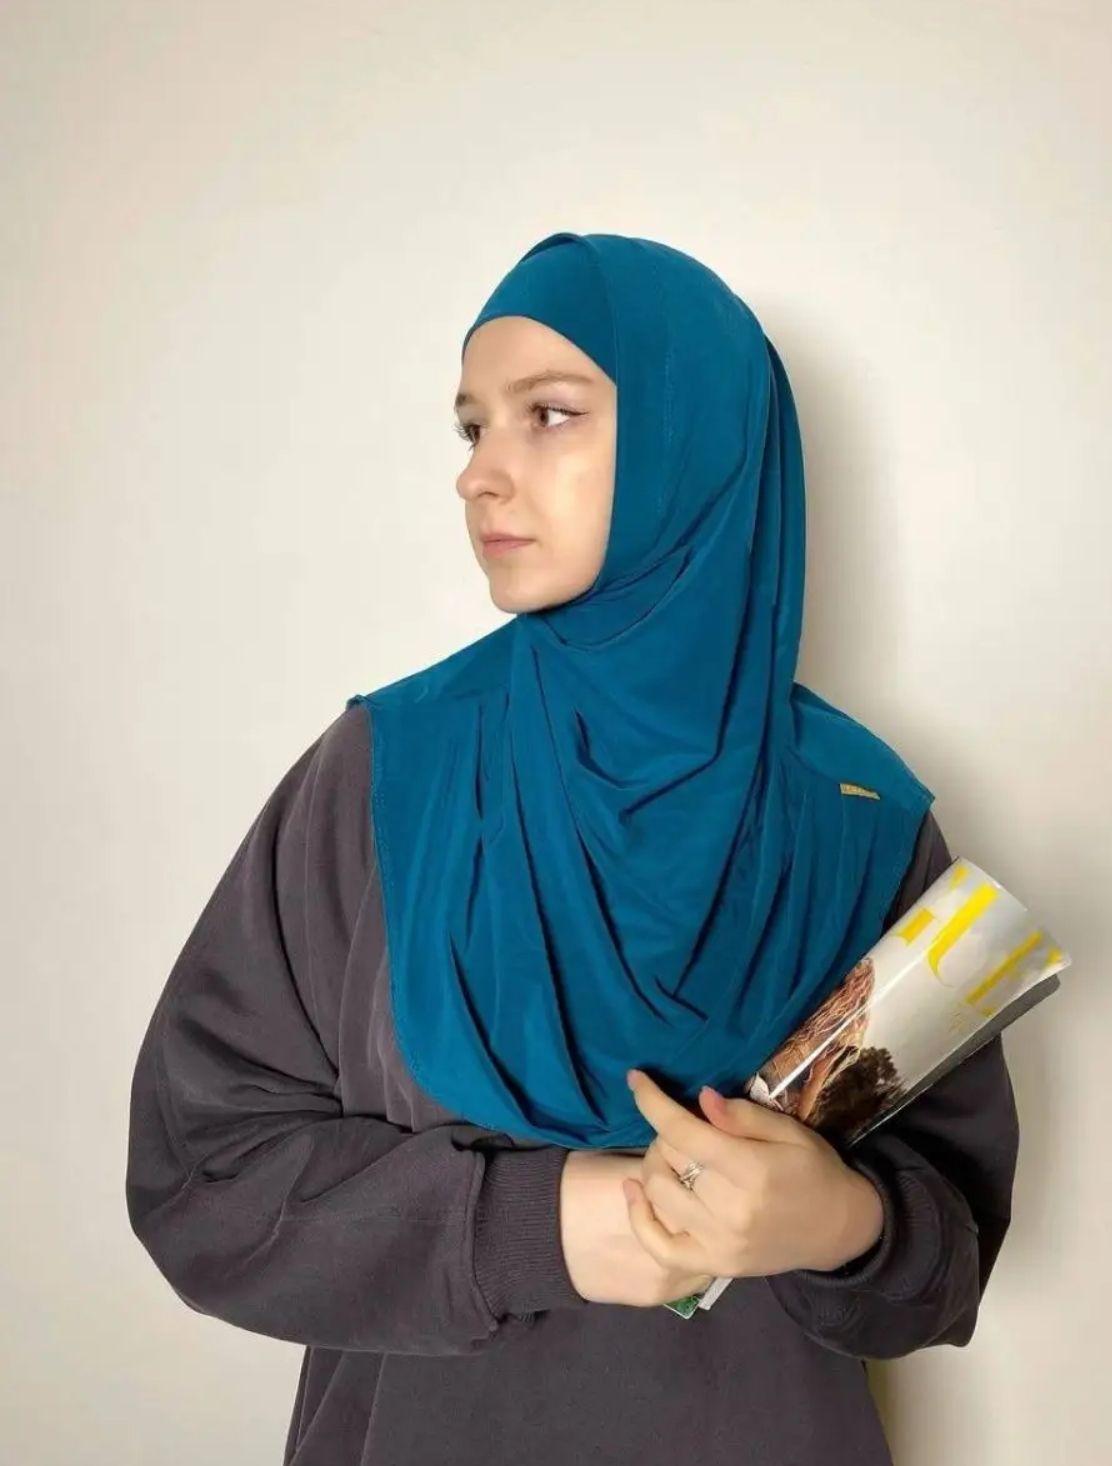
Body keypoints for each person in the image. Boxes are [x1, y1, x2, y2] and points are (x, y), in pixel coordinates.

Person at [125, 231, 1020, 1466]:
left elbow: (946, 1258)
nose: (478, 474)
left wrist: (844, 1222)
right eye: (471, 426)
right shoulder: (388, 772)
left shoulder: (860, 816)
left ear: (693, 439)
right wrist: (528, 1227)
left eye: (547, 414)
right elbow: (200, 1176)